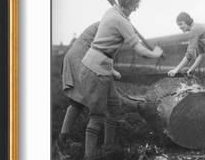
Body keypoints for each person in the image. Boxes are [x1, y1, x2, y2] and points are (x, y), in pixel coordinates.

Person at [79, 0, 163, 160]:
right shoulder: (120, 20)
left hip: (102, 67)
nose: (136, 8)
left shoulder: (112, 12)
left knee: (115, 109)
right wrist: (154, 53)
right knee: (97, 117)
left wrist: (112, 70)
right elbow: (138, 49)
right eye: (135, 5)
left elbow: (105, 45)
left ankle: (109, 149)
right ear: (129, 3)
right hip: (95, 70)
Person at [57, 21, 144, 150]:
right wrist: (112, 72)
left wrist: (111, 71)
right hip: (82, 58)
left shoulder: (110, 23)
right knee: (109, 101)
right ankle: (107, 148)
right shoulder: (112, 26)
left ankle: (63, 139)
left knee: (78, 102)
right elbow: (101, 52)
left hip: (78, 56)